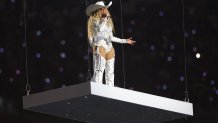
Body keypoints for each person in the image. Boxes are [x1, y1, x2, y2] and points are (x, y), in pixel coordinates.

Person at [86, 1, 135, 86]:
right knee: (99, 70)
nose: (105, 10)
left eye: (105, 9)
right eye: (103, 9)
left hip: (109, 47)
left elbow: (111, 38)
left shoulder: (108, 23)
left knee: (110, 73)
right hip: (100, 45)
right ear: (98, 10)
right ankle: (98, 90)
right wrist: (104, 19)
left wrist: (125, 41)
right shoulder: (94, 21)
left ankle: (110, 91)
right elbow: (100, 29)